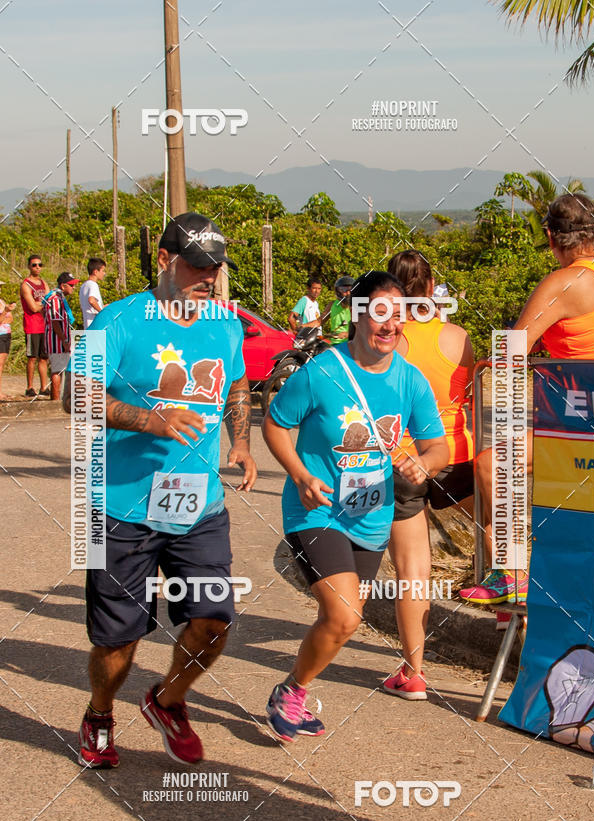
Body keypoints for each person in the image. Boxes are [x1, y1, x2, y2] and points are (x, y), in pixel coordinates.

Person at [64, 213, 257, 768]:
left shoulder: (222, 323)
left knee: (213, 620)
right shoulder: (119, 322)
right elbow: (75, 396)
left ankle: (167, 700)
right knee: (118, 640)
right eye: (197, 266)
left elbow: (237, 381)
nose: (208, 277)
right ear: (166, 262)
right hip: (121, 507)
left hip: (199, 505)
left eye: (215, 268)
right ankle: (101, 714)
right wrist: (149, 419)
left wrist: (240, 443)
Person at [262, 271, 448, 741]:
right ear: (359, 315)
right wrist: (300, 475)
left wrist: (423, 465)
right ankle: (292, 696)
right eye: (379, 313)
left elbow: (438, 446)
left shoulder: (410, 381)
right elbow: (276, 423)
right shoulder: (322, 371)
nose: (389, 325)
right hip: (316, 510)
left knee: (341, 623)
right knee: (345, 614)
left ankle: (293, 688)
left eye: (398, 314)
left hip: (371, 516)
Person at [461, 193, 594, 605]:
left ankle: (514, 570)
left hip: (580, 419)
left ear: (550, 236)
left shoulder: (567, 281)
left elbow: (511, 350)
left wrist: (485, 364)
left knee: (492, 464)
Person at [383, 250, 474, 697]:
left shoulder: (391, 340)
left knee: (413, 572)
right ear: (432, 283)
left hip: (407, 461)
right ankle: (504, 611)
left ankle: (413, 673)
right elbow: (473, 398)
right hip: (459, 455)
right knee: (499, 533)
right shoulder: (459, 337)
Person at [43, 272, 78, 401]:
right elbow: (55, 322)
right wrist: (63, 340)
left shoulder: (58, 298)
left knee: (60, 369)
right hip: (56, 340)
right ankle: (55, 399)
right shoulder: (55, 299)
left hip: (58, 339)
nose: (73, 288)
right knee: (57, 370)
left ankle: (56, 397)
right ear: (63, 286)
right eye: (71, 285)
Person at [20, 254, 49, 397]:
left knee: (44, 357)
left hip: (44, 325)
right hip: (32, 325)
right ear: (29, 266)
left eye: (39, 264)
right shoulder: (26, 284)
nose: (37, 267)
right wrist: (41, 304)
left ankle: (44, 387)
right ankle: (30, 387)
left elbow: (49, 302)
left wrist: (41, 304)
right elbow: (33, 307)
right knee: (32, 357)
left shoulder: (43, 283)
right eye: (34, 265)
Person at [321, 275, 354, 344]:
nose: (348, 293)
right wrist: (304, 326)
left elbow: (363, 329)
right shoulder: (332, 305)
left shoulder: (358, 307)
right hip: (334, 345)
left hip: (350, 345)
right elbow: (319, 321)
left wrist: (347, 334)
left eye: (350, 290)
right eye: (344, 290)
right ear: (338, 291)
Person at [79, 257, 106, 329]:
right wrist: (102, 312)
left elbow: (89, 306)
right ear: (95, 272)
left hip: (87, 327)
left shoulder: (84, 286)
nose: (104, 273)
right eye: (103, 271)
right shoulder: (93, 284)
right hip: (95, 327)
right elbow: (91, 300)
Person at [0, 285, 16, 401]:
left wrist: (5, 315)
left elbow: (10, 319)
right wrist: (5, 312)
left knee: (1, 365)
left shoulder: (1, 301)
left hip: (6, 334)